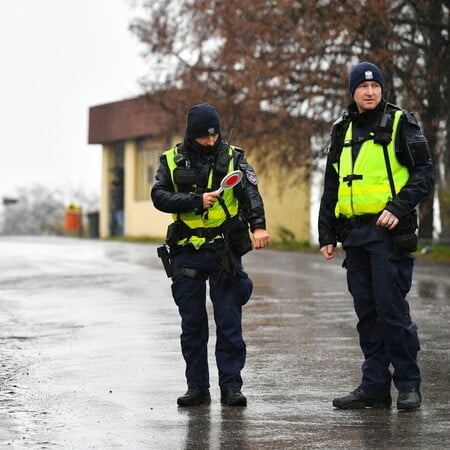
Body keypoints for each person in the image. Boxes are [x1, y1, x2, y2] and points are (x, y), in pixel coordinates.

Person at [318, 62, 434, 411]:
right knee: (367, 314)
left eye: (375, 87)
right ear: (352, 92)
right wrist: (327, 233)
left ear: (382, 90)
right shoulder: (342, 130)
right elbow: (331, 185)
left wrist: (397, 208)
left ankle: (409, 385)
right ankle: (375, 386)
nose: (370, 92)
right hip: (355, 236)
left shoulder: (401, 123)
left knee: (391, 311)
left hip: (388, 234)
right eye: (362, 87)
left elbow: (424, 174)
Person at [151, 103, 270, 407]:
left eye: (215, 134)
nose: (211, 141)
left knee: (229, 322)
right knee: (193, 326)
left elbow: (251, 194)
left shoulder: (233, 158)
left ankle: (231, 387)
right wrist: (195, 200)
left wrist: (259, 226)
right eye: (205, 137)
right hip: (186, 252)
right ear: (192, 135)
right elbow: (159, 196)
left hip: (224, 251)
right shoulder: (170, 160)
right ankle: (197, 388)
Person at [109, 168, 124, 236]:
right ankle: (113, 235)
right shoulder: (113, 187)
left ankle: (121, 235)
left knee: (121, 223)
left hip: (119, 207)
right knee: (111, 223)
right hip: (113, 208)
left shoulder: (120, 187)